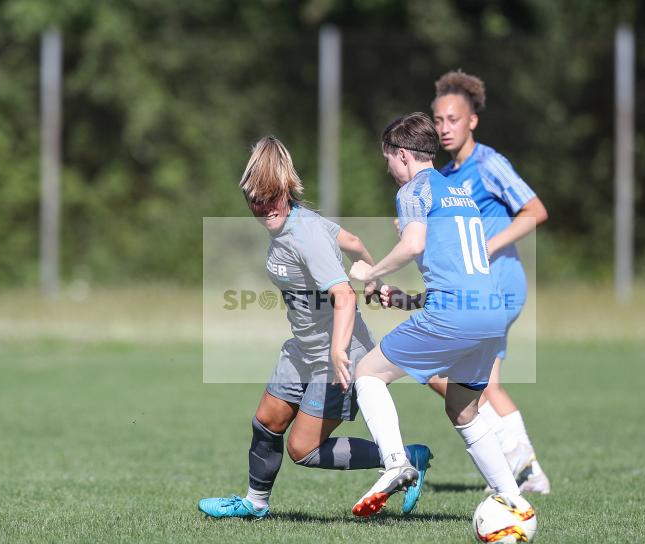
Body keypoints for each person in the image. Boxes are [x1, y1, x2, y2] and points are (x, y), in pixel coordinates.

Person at [198, 137, 431, 519]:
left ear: (286, 191)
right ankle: (254, 505)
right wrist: (371, 276)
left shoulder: (303, 233)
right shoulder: (300, 222)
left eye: (272, 197)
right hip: (303, 349)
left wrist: (340, 347)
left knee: (303, 450)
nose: (265, 208)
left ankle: (406, 458)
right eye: (256, 199)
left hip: (338, 356)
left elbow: (344, 297)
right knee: (266, 422)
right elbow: (353, 240)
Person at [348, 113, 526, 517]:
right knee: (464, 410)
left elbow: (412, 245)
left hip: (457, 313)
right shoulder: (459, 192)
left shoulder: (414, 189)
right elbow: (461, 269)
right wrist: (408, 301)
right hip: (490, 313)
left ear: (404, 155)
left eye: (389, 159)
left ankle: (395, 462)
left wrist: (370, 273)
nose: (389, 168)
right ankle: (514, 499)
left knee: (368, 373)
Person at [430, 70, 550, 494]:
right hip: (475, 290)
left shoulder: (489, 164)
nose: (445, 128)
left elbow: (535, 211)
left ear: (472, 121)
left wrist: (490, 244)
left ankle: (514, 460)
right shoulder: (447, 174)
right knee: (473, 382)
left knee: (443, 372)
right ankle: (528, 471)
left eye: (453, 119)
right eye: (439, 120)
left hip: (498, 285)